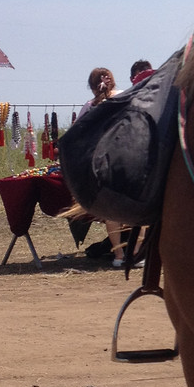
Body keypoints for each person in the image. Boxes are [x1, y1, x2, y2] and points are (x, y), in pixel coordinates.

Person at [75, 67, 125, 265]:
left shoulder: (89, 106)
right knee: (135, 207)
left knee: (111, 212)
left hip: (102, 165)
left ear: (91, 86)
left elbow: (77, 136)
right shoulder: (126, 97)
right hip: (127, 160)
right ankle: (137, 254)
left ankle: (119, 256)